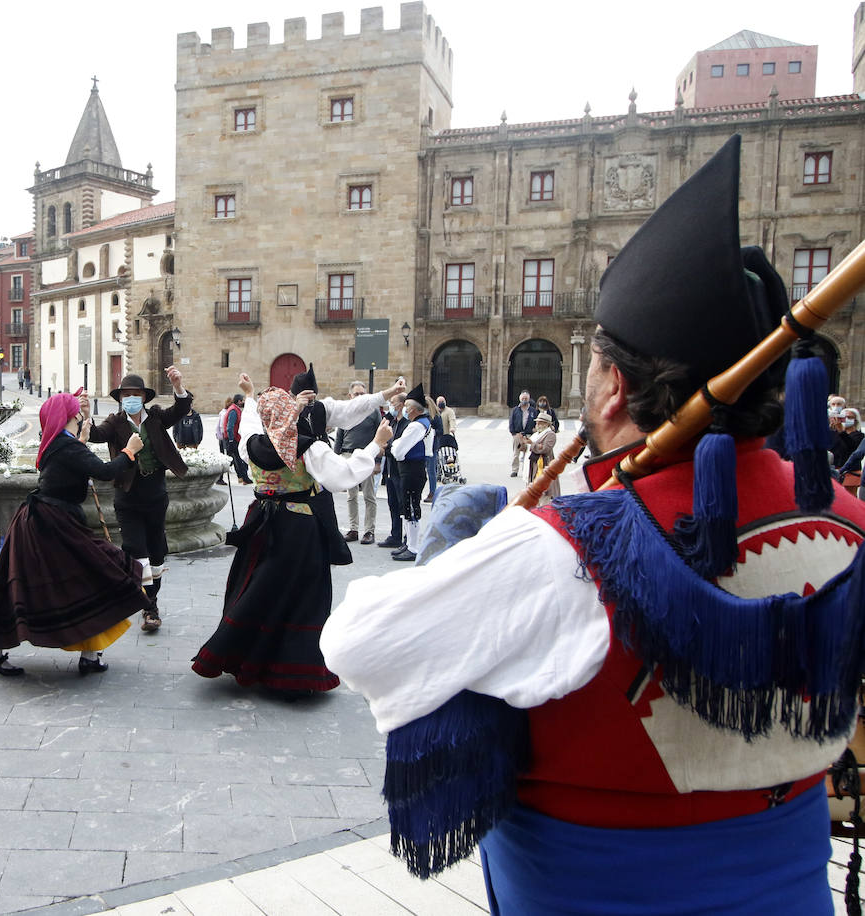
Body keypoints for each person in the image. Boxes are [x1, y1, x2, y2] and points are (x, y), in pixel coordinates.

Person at [323, 136, 865, 913]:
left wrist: (456, 553)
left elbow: (356, 641)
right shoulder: (850, 522)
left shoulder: (568, 549)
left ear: (611, 389)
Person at [192, 379, 392, 694]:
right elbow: (343, 476)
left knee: (258, 589)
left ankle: (243, 655)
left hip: (260, 523)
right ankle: (290, 669)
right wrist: (375, 445)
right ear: (290, 414)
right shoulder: (309, 446)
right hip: (298, 527)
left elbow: (251, 423)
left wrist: (249, 395)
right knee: (301, 595)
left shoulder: (252, 444)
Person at [0, 391, 148, 676]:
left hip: (43, 522)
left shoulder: (58, 444)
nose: (81, 416)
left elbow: (76, 463)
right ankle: (86, 655)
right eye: (77, 413)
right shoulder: (68, 447)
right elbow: (104, 471)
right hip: (53, 525)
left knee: (27, 586)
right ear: (70, 417)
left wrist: (83, 440)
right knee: (93, 577)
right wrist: (130, 451)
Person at [85, 369, 191, 633]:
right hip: (127, 495)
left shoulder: (155, 417)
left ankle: (150, 601)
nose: (131, 398)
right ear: (120, 398)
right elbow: (96, 435)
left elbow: (181, 409)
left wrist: (178, 386)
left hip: (155, 493)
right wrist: (86, 415)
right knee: (136, 549)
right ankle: (148, 606)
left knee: (156, 552)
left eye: (135, 394)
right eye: (126, 395)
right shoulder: (116, 422)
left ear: (144, 397)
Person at [388, 385, 435, 562]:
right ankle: (409, 544)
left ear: (414, 409)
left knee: (411, 508)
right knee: (407, 507)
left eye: (407, 406)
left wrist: (393, 445)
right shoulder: (421, 423)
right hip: (411, 469)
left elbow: (398, 451)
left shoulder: (416, 426)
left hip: (411, 469)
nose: (405, 409)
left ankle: (413, 547)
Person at [334, 380, 381, 543]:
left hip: (367, 456)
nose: (360, 396)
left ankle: (369, 531)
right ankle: (353, 529)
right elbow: (339, 437)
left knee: (369, 496)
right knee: (351, 496)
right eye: (357, 394)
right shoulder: (345, 411)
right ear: (350, 395)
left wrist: (378, 461)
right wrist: (335, 460)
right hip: (347, 455)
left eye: (362, 393)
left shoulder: (373, 411)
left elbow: (379, 435)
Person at [376, 393, 408, 549]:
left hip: (401, 471)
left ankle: (408, 539)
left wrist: (385, 448)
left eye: (393, 402)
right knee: (393, 503)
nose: (391, 405)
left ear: (401, 404)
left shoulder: (407, 424)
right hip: (390, 470)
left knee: (404, 505)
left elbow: (399, 447)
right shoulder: (393, 422)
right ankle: (395, 535)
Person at [525, 410, 560, 504]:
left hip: (544, 465)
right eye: (537, 422)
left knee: (545, 495)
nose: (537, 424)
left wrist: (533, 444)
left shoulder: (550, 435)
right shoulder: (536, 434)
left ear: (546, 424)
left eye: (540, 423)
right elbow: (533, 446)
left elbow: (545, 449)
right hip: (534, 464)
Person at [224, 393, 251, 485]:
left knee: (236, 459)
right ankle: (244, 478)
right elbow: (230, 426)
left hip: (235, 438)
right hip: (232, 438)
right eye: (243, 400)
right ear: (239, 401)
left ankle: (242, 477)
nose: (244, 402)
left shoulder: (236, 409)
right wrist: (231, 440)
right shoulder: (233, 411)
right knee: (238, 459)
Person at [508, 390, 537, 477]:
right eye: (523, 398)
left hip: (529, 435)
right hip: (518, 435)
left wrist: (534, 431)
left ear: (529, 399)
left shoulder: (533, 411)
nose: (524, 400)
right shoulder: (515, 410)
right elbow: (511, 422)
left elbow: (536, 422)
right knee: (516, 453)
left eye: (526, 398)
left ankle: (526, 470)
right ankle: (514, 470)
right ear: (520, 399)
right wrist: (514, 433)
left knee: (527, 454)